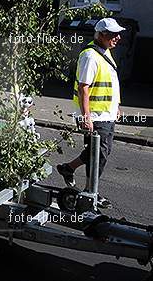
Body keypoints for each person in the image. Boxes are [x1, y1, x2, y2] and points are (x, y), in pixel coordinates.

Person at [57, 18, 126, 209]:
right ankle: (90, 192)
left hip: (106, 114)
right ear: (101, 35)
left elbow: (109, 83)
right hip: (94, 116)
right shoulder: (90, 56)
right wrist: (86, 116)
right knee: (100, 154)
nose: (117, 38)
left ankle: (68, 168)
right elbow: (83, 88)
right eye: (113, 34)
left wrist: (116, 107)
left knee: (97, 152)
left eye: (118, 34)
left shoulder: (105, 52)